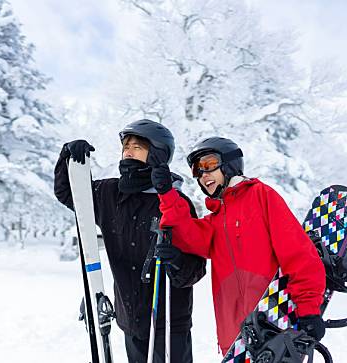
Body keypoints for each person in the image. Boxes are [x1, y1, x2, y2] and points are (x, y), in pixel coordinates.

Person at [149, 136, 326, 355]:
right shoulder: (216, 219)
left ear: (230, 164)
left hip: (274, 323)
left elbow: (297, 252)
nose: (203, 175)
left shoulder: (261, 196)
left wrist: (309, 308)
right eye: (198, 170)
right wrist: (167, 193)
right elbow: (186, 232)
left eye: (209, 165)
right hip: (234, 338)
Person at [54, 119, 206, 363]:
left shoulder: (176, 203)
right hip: (130, 319)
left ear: (157, 154)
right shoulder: (109, 194)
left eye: (138, 147)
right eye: (126, 146)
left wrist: (177, 261)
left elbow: (195, 270)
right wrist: (69, 160)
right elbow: (71, 194)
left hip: (167, 324)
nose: (128, 151)